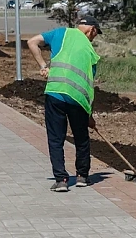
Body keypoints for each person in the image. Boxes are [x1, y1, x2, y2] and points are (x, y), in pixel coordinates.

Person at [28, 15, 102, 192]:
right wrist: (89, 115)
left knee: (56, 139)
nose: (93, 38)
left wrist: (43, 67)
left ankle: (61, 180)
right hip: (78, 100)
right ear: (91, 30)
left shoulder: (61, 33)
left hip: (56, 94)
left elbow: (32, 42)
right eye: (95, 34)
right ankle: (82, 177)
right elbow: (89, 86)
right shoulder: (90, 52)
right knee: (81, 138)